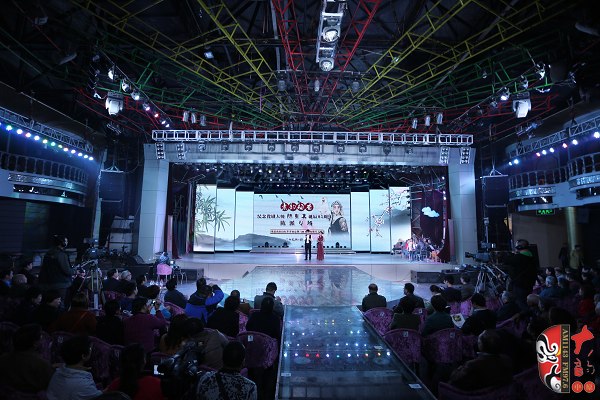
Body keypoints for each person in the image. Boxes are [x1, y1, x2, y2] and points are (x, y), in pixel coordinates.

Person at [448, 329, 513, 390]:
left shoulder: (472, 365)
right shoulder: (507, 360)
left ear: (481, 345)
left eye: (479, 340)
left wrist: (459, 367)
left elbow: (454, 379)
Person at [0, 323, 55, 393]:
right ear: (35, 343)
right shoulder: (42, 365)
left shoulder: (3, 359)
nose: (42, 339)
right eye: (40, 337)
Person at [46, 335, 103, 400]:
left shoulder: (57, 372)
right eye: (90, 348)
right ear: (84, 356)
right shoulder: (84, 385)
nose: (91, 350)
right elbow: (99, 396)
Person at [505, 239, 538, 311]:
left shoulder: (518, 257)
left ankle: (525, 316)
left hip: (519, 285)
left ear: (519, 247)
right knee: (527, 302)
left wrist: (511, 254)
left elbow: (506, 261)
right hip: (529, 284)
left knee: (521, 304)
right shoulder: (532, 255)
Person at [38, 235, 72, 303]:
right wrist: (75, 271)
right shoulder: (61, 255)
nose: (67, 243)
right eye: (66, 241)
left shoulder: (48, 254)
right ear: (62, 243)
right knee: (60, 304)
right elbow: (67, 271)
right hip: (60, 284)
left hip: (46, 284)